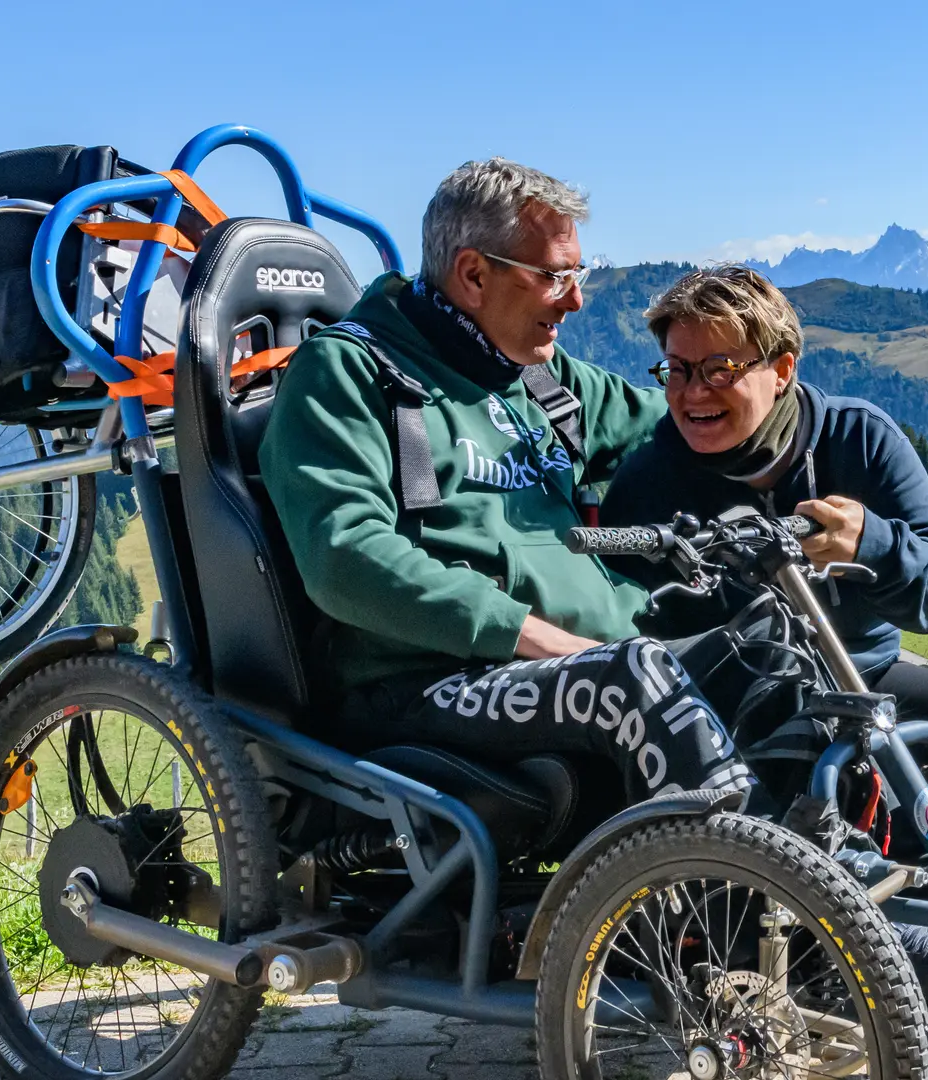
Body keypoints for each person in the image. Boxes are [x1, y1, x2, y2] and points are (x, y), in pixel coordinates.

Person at [259, 159, 753, 802]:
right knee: (631, 681)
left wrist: (818, 429)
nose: (575, 299)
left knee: (768, 648)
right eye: (554, 276)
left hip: (598, 654)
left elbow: (686, 418)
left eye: (576, 274)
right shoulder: (348, 374)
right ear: (473, 274)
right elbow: (343, 554)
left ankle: (840, 878)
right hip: (432, 680)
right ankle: (727, 893)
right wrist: (529, 633)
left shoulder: (543, 378)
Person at [601, 266, 928, 745]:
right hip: (724, 702)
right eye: (678, 369)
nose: (693, 392)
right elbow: (618, 627)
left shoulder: (859, 439)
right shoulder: (645, 484)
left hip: (862, 674)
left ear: (781, 371)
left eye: (719, 370)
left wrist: (871, 545)